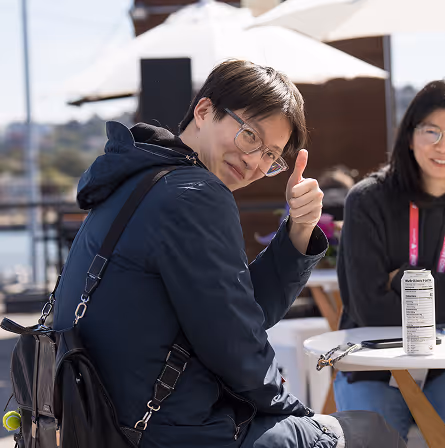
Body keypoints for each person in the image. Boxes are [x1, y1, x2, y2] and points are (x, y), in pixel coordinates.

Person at [52, 60, 404, 448]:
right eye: (250, 135)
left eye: (271, 155)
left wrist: (299, 230)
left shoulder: (137, 179)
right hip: (170, 432)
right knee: (371, 433)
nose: (255, 161)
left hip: (102, 425)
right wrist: (304, 417)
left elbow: (240, 315)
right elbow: (235, 349)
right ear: (204, 111)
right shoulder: (195, 194)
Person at [334, 79, 445, 441]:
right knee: (374, 442)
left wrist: (402, 280)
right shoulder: (368, 200)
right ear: (409, 136)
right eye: (431, 131)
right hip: (374, 364)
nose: (443, 145)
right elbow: (369, 310)